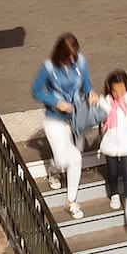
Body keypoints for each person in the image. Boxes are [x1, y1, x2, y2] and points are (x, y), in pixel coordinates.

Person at [31, 35, 99, 220]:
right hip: (54, 119)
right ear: (61, 54)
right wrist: (55, 101)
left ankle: (71, 201)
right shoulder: (49, 67)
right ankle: (53, 170)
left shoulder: (81, 62)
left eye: (74, 55)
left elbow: (86, 84)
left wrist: (91, 92)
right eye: (69, 56)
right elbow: (36, 91)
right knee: (62, 160)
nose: (72, 59)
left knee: (76, 157)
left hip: (75, 118)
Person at [93, 73, 127, 230]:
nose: (118, 94)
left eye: (121, 90)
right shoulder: (105, 102)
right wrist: (93, 105)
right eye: (115, 91)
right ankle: (114, 193)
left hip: (126, 143)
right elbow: (96, 117)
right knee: (113, 170)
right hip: (110, 143)